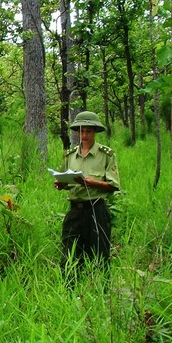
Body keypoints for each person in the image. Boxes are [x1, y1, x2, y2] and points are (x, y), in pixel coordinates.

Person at [54, 111, 120, 276]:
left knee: (100, 255)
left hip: (96, 210)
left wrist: (92, 183)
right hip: (75, 210)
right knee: (69, 254)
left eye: (88, 131)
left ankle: (101, 293)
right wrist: (61, 184)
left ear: (95, 132)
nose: (84, 135)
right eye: (81, 131)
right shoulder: (70, 155)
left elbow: (113, 185)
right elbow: (65, 180)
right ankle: (69, 292)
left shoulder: (106, 155)